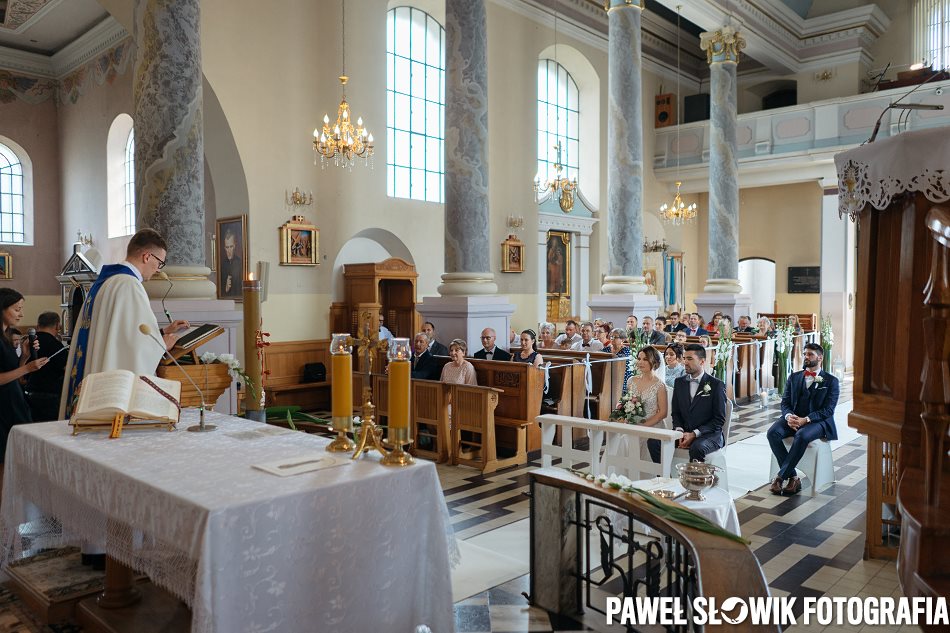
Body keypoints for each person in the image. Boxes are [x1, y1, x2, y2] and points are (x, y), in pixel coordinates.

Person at [61, 229, 190, 419]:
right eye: (159, 262)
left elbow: (117, 332)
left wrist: (163, 331)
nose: (158, 269)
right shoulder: (129, 285)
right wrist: (163, 344)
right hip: (111, 389)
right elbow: (133, 346)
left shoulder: (107, 281)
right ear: (147, 256)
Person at [767, 343, 840, 496]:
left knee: (802, 435)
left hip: (817, 422)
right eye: (805, 354)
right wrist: (788, 417)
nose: (806, 357)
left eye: (810, 354)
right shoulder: (794, 377)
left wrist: (805, 419)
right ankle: (793, 477)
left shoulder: (831, 381)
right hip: (793, 418)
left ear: (820, 358)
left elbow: (828, 410)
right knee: (772, 432)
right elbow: (785, 402)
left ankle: (780, 477)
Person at [649, 344, 726, 463]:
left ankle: (694, 481)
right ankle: (665, 478)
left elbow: (719, 420)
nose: (685, 362)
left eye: (690, 359)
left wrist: (694, 434)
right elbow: (676, 412)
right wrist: (679, 431)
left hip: (708, 435)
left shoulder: (716, 385)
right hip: (683, 432)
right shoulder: (679, 382)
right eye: (684, 358)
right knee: (654, 442)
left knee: (697, 448)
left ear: (702, 361)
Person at [0, 289, 49, 465]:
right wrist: (27, 368)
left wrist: (25, 357)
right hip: (3, 407)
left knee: (17, 459)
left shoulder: (6, 336)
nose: (21, 314)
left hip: (14, 401)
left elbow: (13, 373)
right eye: (16, 309)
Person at [25, 311, 68, 422]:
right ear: (58, 325)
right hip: (49, 397)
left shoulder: (29, 341)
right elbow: (66, 368)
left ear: (38, 325)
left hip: (29, 393)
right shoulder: (55, 344)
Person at [623, 347, 668, 427]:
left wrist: (644, 426)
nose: (640, 362)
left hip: (652, 426)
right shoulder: (631, 381)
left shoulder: (660, 385)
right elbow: (628, 404)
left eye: (645, 359)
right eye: (639, 359)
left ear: (654, 362)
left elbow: (663, 413)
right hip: (632, 424)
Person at [219, 228, 243, 298]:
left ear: (234, 246)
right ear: (224, 248)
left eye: (231, 247)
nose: (229, 251)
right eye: (227, 247)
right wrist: (226, 288)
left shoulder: (240, 263)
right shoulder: (222, 265)